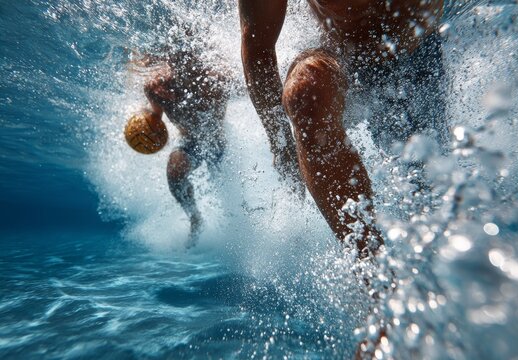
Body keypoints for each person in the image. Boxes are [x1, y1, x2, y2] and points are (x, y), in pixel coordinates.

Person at [239, 0, 447, 252]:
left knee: (424, 200)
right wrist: (280, 142)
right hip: (343, 55)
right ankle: (374, 272)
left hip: (417, 54)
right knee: (305, 94)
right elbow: (258, 45)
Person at [135, 49, 229, 247]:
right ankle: (195, 218)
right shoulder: (154, 87)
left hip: (217, 142)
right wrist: (144, 123)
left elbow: (226, 88)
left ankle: (232, 228)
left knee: (224, 190)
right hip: (189, 142)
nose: (167, 90)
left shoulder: (209, 80)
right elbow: (155, 119)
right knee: (174, 173)